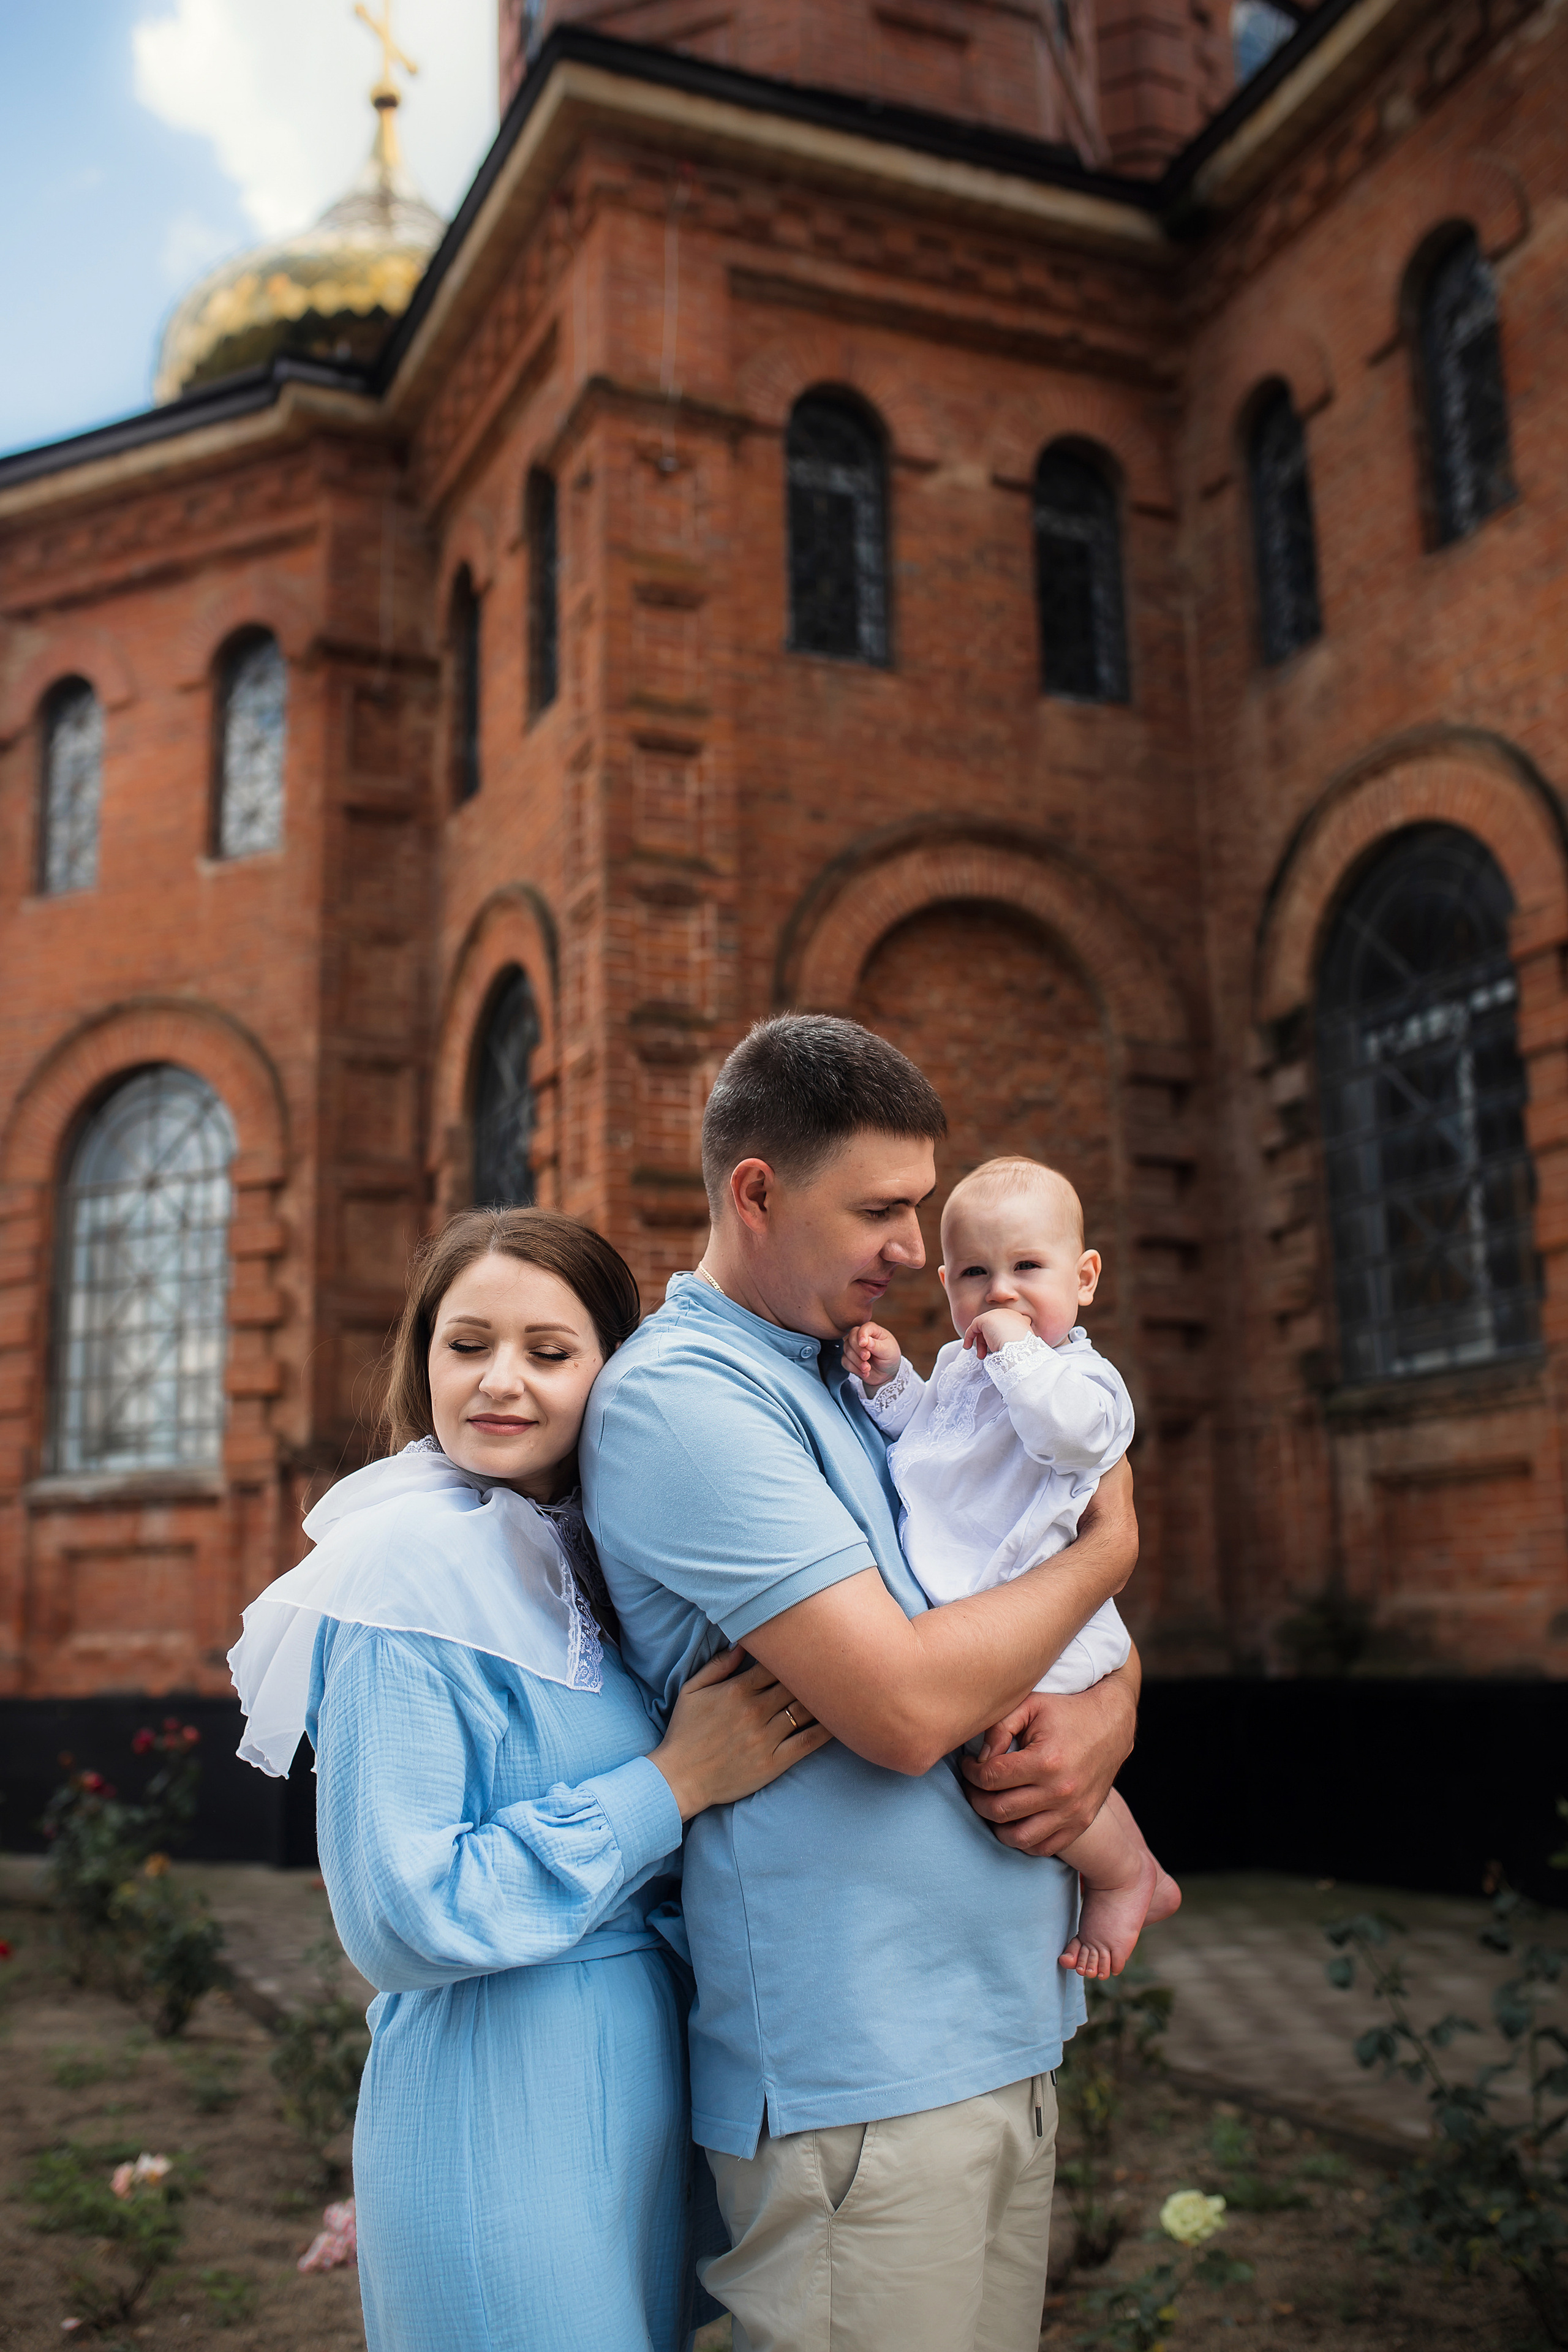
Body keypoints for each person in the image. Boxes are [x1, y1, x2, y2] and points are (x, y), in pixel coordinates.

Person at [582, 1016, 1142, 2352]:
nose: (914, 1247)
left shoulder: (846, 1370)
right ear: (756, 1191)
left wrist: (1110, 1709)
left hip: (992, 2030)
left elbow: (1011, 1599)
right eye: (881, 1209)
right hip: (861, 2079)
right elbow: (902, 1708)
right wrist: (1119, 1544)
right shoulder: (686, 1402)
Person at [228, 1207, 829, 2352]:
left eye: (550, 1352)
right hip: (493, 2097)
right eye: (467, 1345)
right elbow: (400, 1913)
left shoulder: (586, 1552)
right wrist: (673, 1783)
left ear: (614, 1368)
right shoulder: (403, 1575)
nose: (501, 1381)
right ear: (423, 1360)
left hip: (636, 2091)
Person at [842, 1153, 1181, 1980]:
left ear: (1085, 1277)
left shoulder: (1082, 1379)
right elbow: (935, 1447)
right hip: (982, 1612)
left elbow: (1070, 1438)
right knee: (1013, 1764)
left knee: (1015, 1765)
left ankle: (1124, 1872)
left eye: (1028, 1268)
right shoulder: (967, 1369)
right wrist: (895, 1388)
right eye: (974, 1274)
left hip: (1041, 1616)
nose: (1000, 1292)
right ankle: (1133, 1861)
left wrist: (1013, 1348)